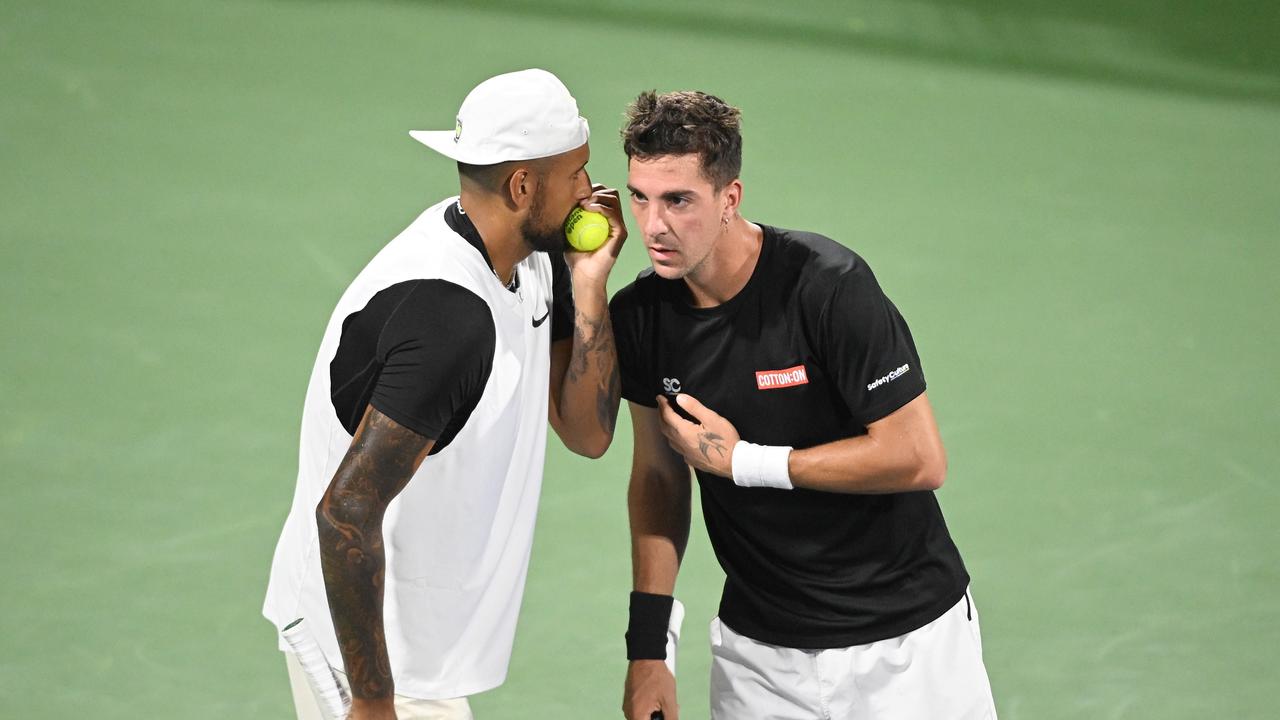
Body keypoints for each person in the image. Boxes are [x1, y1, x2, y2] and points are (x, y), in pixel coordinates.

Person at [610, 90, 996, 720]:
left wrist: (746, 463)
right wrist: (649, 649)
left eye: (679, 200)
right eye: (640, 196)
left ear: (729, 199)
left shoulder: (827, 286)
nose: (654, 225)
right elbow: (658, 475)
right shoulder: (642, 316)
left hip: (907, 648)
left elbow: (918, 457)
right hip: (760, 662)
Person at [263, 68, 626, 720]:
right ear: (522, 185)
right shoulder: (447, 320)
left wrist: (591, 286)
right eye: (576, 173)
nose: (589, 194)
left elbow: (588, 433)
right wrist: (373, 704)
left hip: (421, 653)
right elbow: (345, 512)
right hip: (373, 660)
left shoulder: (535, 259)